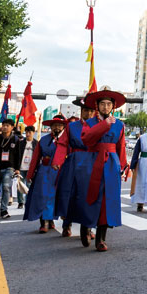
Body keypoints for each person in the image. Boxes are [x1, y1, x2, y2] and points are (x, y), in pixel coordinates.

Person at [51, 89, 128, 252]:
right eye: (102, 104)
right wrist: (104, 125)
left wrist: (123, 166)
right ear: (97, 106)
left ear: (113, 107)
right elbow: (87, 139)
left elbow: (121, 146)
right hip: (92, 162)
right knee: (90, 197)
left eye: (109, 104)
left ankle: (101, 238)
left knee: (108, 201)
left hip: (111, 163)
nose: (106, 107)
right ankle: (86, 226)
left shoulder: (120, 124)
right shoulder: (89, 124)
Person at [54, 98, 96, 240]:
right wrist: (58, 160)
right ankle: (67, 224)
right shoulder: (72, 127)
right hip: (74, 161)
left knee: (89, 196)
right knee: (70, 194)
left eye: (91, 111)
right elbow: (63, 144)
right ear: (81, 111)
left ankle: (89, 227)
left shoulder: (99, 126)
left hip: (92, 162)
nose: (89, 114)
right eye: (86, 110)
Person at [24, 115, 66, 233]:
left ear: (63, 127)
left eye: (59, 125)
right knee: (42, 196)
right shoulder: (44, 140)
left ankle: (51, 220)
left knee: (56, 197)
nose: (57, 128)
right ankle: (44, 223)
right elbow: (36, 157)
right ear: (51, 127)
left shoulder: (66, 141)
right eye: (54, 125)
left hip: (60, 172)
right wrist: (30, 174)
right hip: (45, 172)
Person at [0, 119, 23, 219]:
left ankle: (4, 210)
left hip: (9, 168)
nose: (5, 127)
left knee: (6, 187)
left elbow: (18, 155)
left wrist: (17, 168)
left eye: (7, 125)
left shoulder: (15, 140)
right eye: (4, 125)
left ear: (12, 127)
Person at [15, 125, 38, 210]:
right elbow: (16, 155)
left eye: (30, 132)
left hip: (30, 168)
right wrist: (16, 168)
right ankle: (20, 202)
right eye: (27, 132)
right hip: (20, 168)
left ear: (33, 133)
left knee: (29, 185)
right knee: (19, 186)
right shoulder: (21, 143)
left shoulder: (36, 143)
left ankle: (28, 201)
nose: (28, 134)